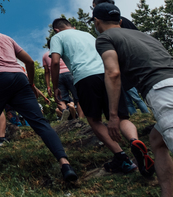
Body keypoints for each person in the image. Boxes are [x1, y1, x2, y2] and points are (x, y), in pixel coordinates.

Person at [93, 2, 173, 196]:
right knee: (157, 140)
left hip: (167, 94)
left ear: (96, 22)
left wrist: (113, 115)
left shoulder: (105, 38)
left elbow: (113, 73)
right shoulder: (143, 35)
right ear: (120, 20)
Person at [0, 11, 77, 181]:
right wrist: (31, 84)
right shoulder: (6, 37)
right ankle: (65, 163)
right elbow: (30, 62)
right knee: (40, 122)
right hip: (19, 79)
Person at [49, 18, 140, 174]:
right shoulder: (87, 34)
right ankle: (135, 142)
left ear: (56, 29)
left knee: (94, 119)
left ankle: (121, 157)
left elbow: (55, 62)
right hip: (107, 73)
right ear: (73, 26)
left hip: (85, 77)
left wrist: (55, 86)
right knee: (122, 117)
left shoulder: (57, 37)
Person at [42, 50, 78, 120]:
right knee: (78, 97)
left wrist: (48, 86)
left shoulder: (45, 55)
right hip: (69, 73)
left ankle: (64, 111)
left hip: (56, 77)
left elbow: (47, 71)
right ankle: (81, 118)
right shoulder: (62, 51)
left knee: (60, 99)